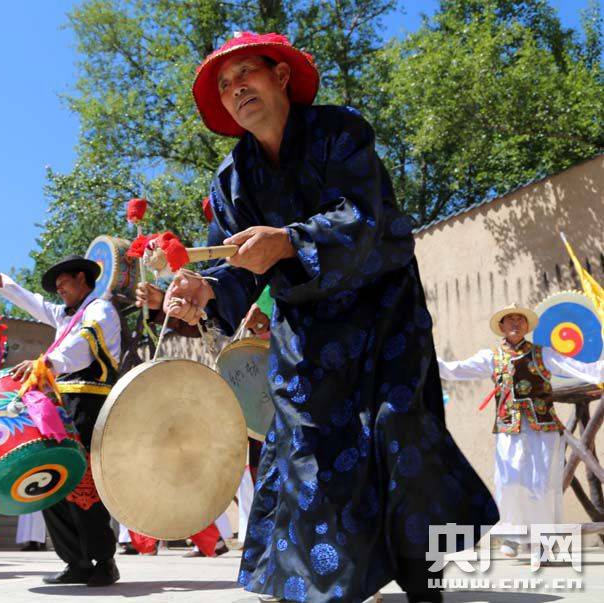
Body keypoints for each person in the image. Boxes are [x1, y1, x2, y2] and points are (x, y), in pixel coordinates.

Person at [163, 31, 498, 602]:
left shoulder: (340, 133)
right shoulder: (229, 181)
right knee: (310, 450)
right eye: (224, 84)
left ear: (281, 77)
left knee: (400, 432)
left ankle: (424, 582)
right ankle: (317, 587)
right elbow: (234, 270)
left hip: (383, 313)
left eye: (246, 73)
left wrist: (290, 241)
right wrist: (200, 290)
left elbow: (368, 219)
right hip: (306, 332)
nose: (235, 88)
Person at [0, 255, 121, 587]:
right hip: (58, 404)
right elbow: (34, 304)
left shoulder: (101, 310)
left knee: (82, 483)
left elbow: (82, 345)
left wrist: (47, 362)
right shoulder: (63, 314)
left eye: (64, 284)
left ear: (83, 278)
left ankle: (103, 560)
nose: (59, 292)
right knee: (51, 479)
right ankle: (76, 560)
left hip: (89, 401)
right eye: (57, 289)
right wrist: (1, 282)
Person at [438, 303, 604, 557]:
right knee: (509, 481)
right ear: (502, 327)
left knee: (543, 484)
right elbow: (453, 370)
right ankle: (514, 535)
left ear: (526, 326)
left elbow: (581, 368)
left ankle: (542, 544)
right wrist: (425, 356)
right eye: (510, 320)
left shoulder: (543, 354)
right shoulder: (490, 357)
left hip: (543, 428)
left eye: (520, 320)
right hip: (509, 429)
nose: (515, 323)